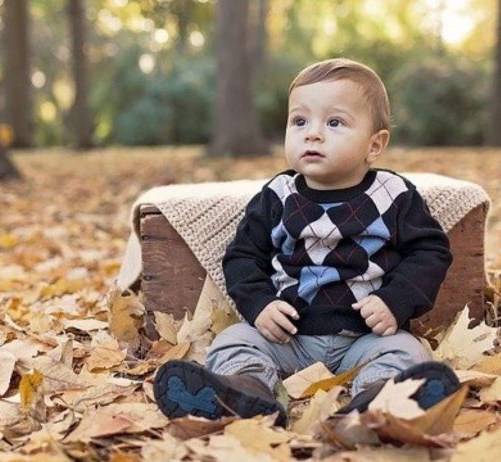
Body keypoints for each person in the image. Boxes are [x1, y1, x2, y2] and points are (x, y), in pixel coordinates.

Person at [153, 58, 460, 427]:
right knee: (235, 340)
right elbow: (242, 255)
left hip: (367, 337)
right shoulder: (278, 195)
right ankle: (248, 391)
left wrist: (395, 301)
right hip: (288, 337)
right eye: (299, 121)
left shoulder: (392, 195)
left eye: (334, 122)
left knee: (406, 352)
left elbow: (430, 251)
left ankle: (378, 398)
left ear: (374, 145)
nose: (312, 133)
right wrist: (260, 304)